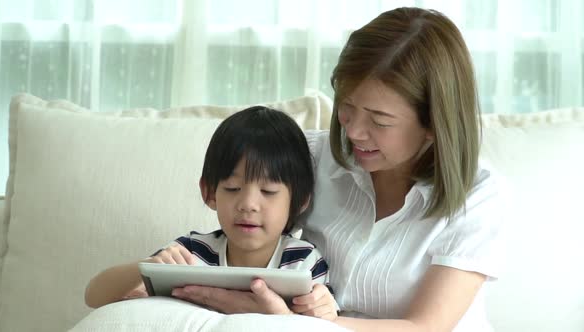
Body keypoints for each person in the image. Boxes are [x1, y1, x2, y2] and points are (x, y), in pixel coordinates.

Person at [169, 7, 505, 332]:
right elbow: (241, 241)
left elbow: (424, 327)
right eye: (347, 106)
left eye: (379, 120)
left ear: (433, 124)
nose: (354, 132)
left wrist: (290, 321)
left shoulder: (476, 195)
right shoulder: (314, 156)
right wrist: (164, 274)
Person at [84, 106, 338, 321]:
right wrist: (149, 268)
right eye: (233, 188)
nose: (248, 204)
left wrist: (324, 309)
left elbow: (320, 323)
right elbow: (94, 295)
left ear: (301, 200)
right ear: (209, 193)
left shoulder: (303, 263)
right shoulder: (192, 254)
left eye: (268, 191)